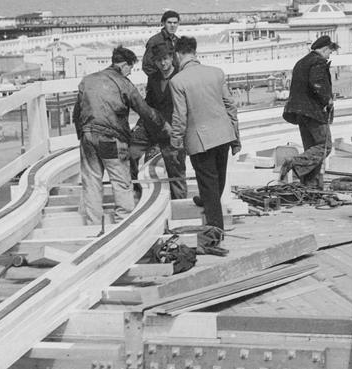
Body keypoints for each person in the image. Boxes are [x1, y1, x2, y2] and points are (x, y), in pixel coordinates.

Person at [73, 46, 168, 225]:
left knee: (91, 181)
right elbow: (144, 110)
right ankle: (123, 224)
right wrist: (163, 125)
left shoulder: (88, 81)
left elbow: (77, 112)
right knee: (121, 181)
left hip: (87, 137)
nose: (129, 74)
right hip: (111, 139)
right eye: (130, 69)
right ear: (124, 65)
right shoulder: (123, 83)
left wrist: (83, 135)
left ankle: (93, 226)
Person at [168, 36, 241, 235]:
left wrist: (175, 142)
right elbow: (230, 106)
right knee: (218, 177)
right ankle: (207, 201)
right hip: (223, 134)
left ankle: (215, 229)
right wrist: (235, 136)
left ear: (177, 55)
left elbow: (180, 116)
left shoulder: (177, 81)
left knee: (208, 182)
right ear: (195, 52)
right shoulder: (216, 73)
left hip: (200, 139)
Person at [128, 44, 188, 199]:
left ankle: (179, 202)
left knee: (176, 168)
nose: (163, 63)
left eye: (165, 59)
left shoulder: (181, 76)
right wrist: (140, 124)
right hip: (154, 127)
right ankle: (138, 191)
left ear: (171, 59)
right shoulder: (153, 78)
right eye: (159, 60)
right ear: (154, 62)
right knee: (130, 152)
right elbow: (149, 104)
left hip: (174, 129)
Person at [281, 35, 340, 188]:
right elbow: (317, 84)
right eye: (330, 52)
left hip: (300, 112)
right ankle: (294, 162)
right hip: (314, 112)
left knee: (311, 150)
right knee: (324, 147)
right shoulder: (318, 61)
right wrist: (327, 99)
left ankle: (311, 188)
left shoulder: (301, 62)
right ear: (325, 49)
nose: (329, 55)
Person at [142, 10, 180, 78]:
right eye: (169, 22)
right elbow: (146, 65)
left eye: (175, 23)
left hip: (177, 81)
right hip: (161, 83)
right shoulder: (154, 41)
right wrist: (160, 80)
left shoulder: (178, 41)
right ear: (163, 23)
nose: (172, 25)